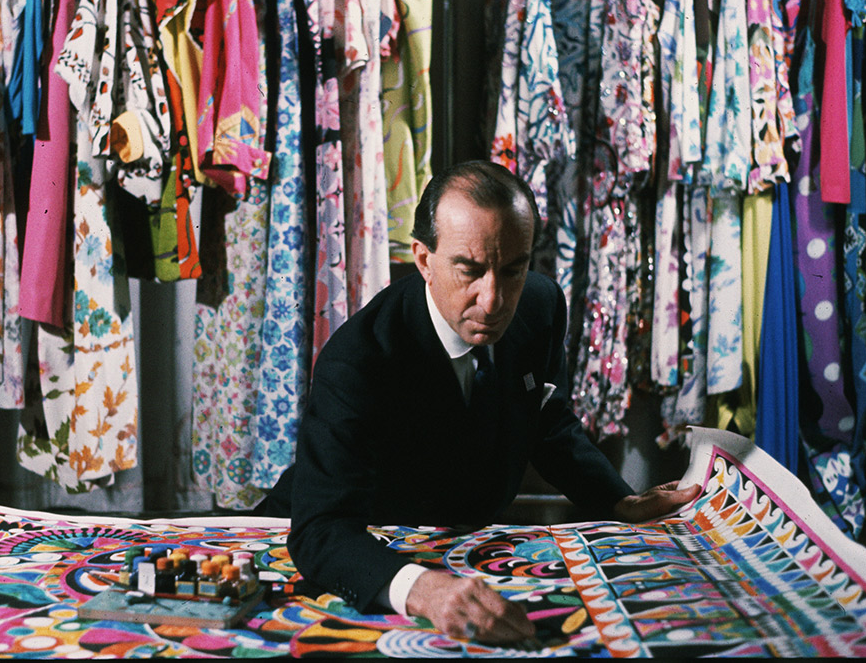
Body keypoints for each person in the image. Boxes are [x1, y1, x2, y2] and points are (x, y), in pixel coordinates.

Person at [257, 160, 698, 644]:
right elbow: (320, 530)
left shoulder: (541, 305)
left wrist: (619, 500)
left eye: (513, 270)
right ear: (424, 260)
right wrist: (422, 590)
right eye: (469, 270)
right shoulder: (358, 359)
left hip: (456, 551)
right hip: (339, 556)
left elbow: (546, 422)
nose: (493, 301)